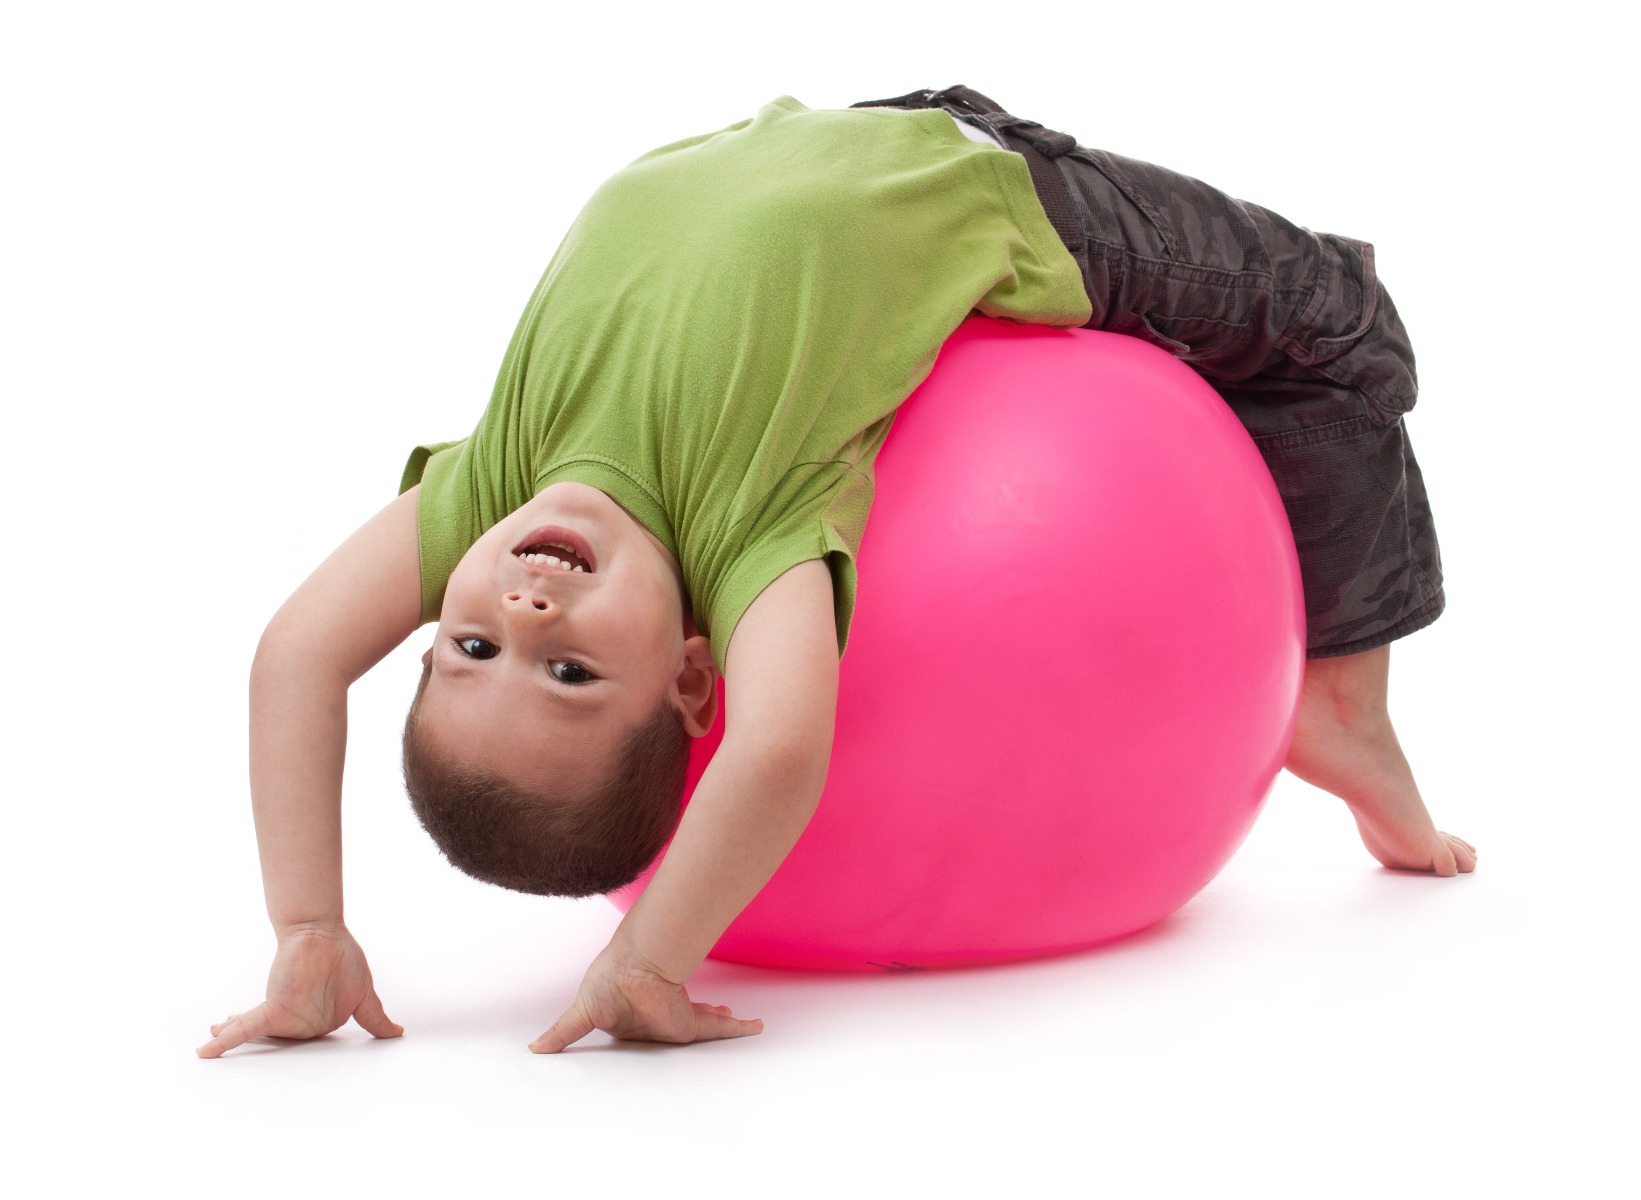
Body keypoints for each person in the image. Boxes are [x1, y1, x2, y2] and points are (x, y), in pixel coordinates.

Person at [197, 87, 1474, 1061]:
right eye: (573, 670)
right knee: (1341, 326)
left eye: (470, 649)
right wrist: (651, 956)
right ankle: (1341, 704)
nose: (526, 611)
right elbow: (785, 747)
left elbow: (295, 657)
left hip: (863, 130)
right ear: (695, 680)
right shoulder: (754, 534)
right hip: (997, 196)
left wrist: (307, 929)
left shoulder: (486, 494)